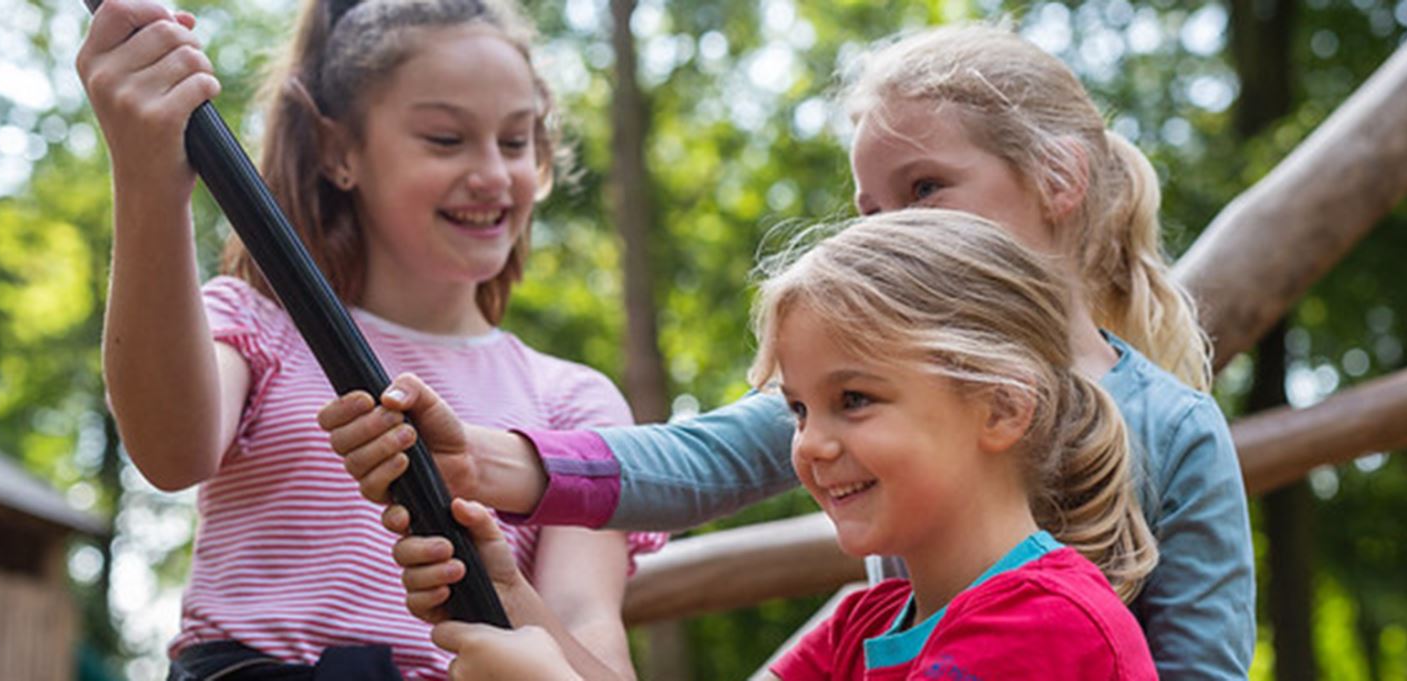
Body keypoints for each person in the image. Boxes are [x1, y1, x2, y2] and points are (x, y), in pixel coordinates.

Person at [326, 22, 1253, 679]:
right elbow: (697, 457)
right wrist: (487, 484)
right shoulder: (869, 603)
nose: (889, 233)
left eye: (926, 188)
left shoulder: (1158, 450)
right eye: (871, 212)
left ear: (1058, 179)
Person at [77, 0, 660, 677]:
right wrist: (148, 176)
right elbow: (171, 450)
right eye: (446, 139)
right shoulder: (258, 327)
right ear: (339, 151)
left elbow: (598, 663)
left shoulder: (573, 404)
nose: (494, 174)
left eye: (516, 140)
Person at [364, 210, 1161, 679]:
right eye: (798, 409)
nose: (811, 444)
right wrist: (510, 595)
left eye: (854, 400)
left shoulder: (1047, 626)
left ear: (1001, 407)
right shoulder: (865, 624)